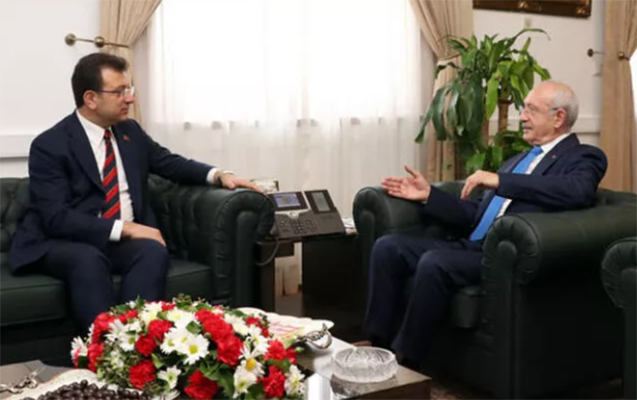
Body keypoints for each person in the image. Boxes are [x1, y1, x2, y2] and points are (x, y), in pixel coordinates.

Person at [8, 53, 260, 333]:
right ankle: (103, 348)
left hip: (114, 242)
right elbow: (56, 218)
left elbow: (169, 163)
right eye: (119, 92)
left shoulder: (129, 132)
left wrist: (218, 175)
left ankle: (136, 341)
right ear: (91, 98)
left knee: (152, 251)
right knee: (87, 260)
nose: (129, 99)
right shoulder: (50, 145)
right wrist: (127, 228)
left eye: (129, 90)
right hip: (62, 240)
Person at [365, 81, 607, 369]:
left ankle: (407, 365)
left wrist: (501, 180)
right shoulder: (519, 160)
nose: (522, 117)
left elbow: (577, 190)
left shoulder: (583, 157)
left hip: (503, 256)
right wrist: (429, 195)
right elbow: (478, 213)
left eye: (531, 110)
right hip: (471, 245)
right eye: (524, 109)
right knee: (388, 247)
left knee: (435, 262)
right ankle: (376, 348)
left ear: (559, 118)